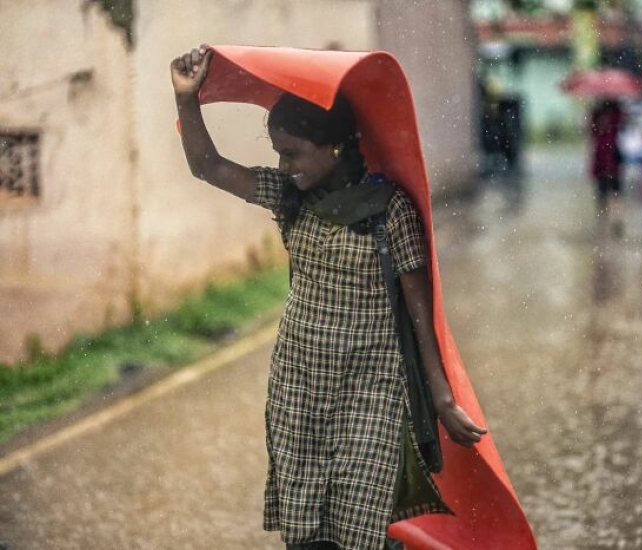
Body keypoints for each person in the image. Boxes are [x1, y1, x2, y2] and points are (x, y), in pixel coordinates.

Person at [170, 46, 487, 550]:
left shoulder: (389, 211)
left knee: (362, 525)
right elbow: (207, 166)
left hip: (372, 387)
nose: (282, 164)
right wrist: (187, 99)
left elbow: (421, 316)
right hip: (298, 385)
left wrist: (442, 395)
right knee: (308, 532)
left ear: (334, 147)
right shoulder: (290, 196)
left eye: (292, 153)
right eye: (278, 153)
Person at [588, 99, 626, 235]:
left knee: (602, 195)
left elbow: (590, 132)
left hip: (603, 159)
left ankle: (602, 224)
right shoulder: (617, 113)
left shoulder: (596, 114)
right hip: (612, 159)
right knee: (616, 193)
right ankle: (616, 219)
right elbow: (623, 126)